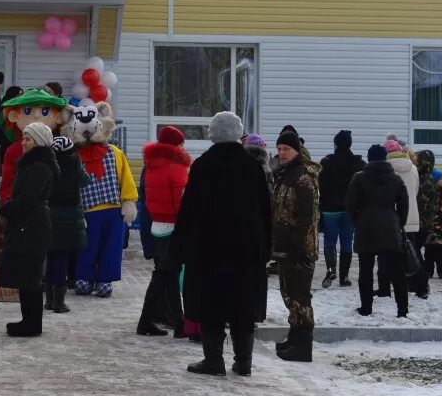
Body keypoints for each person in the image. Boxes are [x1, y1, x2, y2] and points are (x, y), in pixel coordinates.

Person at [173, 112, 271, 377]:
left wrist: (180, 246)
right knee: (243, 304)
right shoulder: (252, 166)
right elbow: (265, 209)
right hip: (246, 249)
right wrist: (265, 246)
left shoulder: (204, 165)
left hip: (208, 249)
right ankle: (244, 362)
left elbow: (189, 209)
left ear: (213, 133)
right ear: (238, 133)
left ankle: (214, 361)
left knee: (211, 304)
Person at [0, 122, 56, 337]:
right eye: (24, 137)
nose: (24, 142)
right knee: (26, 275)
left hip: (32, 225)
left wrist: (6, 208)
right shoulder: (34, 164)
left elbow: (27, 199)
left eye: (28, 138)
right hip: (28, 224)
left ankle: (32, 324)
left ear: (38, 141)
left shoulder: (39, 167)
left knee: (30, 276)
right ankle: (28, 321)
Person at [270, 130, 320, 363]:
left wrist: (298, 245)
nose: (281, 153)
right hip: (285, 246)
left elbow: (307, 216)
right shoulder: (284, 173)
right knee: (289, 295)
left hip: (299, 248)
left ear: (296, 151)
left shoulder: (302, 177)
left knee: (300, 297)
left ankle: (303, 347)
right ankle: (294, 338)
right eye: (279, 149)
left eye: (286, 149)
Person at [136, 125, 190, 337]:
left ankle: (179, 324)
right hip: (173, 228)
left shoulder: (151, 165)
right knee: (162, 277)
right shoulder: (175, 167)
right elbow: (181, 202)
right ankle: (146, 322)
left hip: (157, 225)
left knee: (168, 276)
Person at [345, 144, 409, 318]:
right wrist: (398, 223)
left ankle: (366, 308)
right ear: (385, 158)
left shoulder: (359, 178)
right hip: (390, 226)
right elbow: (404, 204)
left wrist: (357, 222)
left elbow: (350, 205)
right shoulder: (396, 179)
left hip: (365, 227)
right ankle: (402, 309)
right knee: (397, 271)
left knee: (365, 270)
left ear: (369, 157)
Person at [44, 136, 90, 314]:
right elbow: (86, 182)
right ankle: (59, 302)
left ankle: (48, 299)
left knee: (50, 257)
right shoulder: (75, 164)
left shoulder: (48, 165)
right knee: (62, 260)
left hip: (49, 215)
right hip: (70, 217)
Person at [317, 130, 364, 288]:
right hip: (350, 210)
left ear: (336, 144)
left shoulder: (326, 162)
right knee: (346, 243)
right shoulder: (358, 163)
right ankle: (344, 277)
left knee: (330, 241)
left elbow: (320, 185)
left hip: (330, 209)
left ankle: (330, 270)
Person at [376, 139, 421, 298]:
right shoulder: (413, 168)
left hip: (391, 219)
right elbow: (415, 192)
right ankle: (415, 285)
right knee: (411, 252)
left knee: (386, 254)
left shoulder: (386, 170)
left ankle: (385, 288)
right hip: (411, 217)